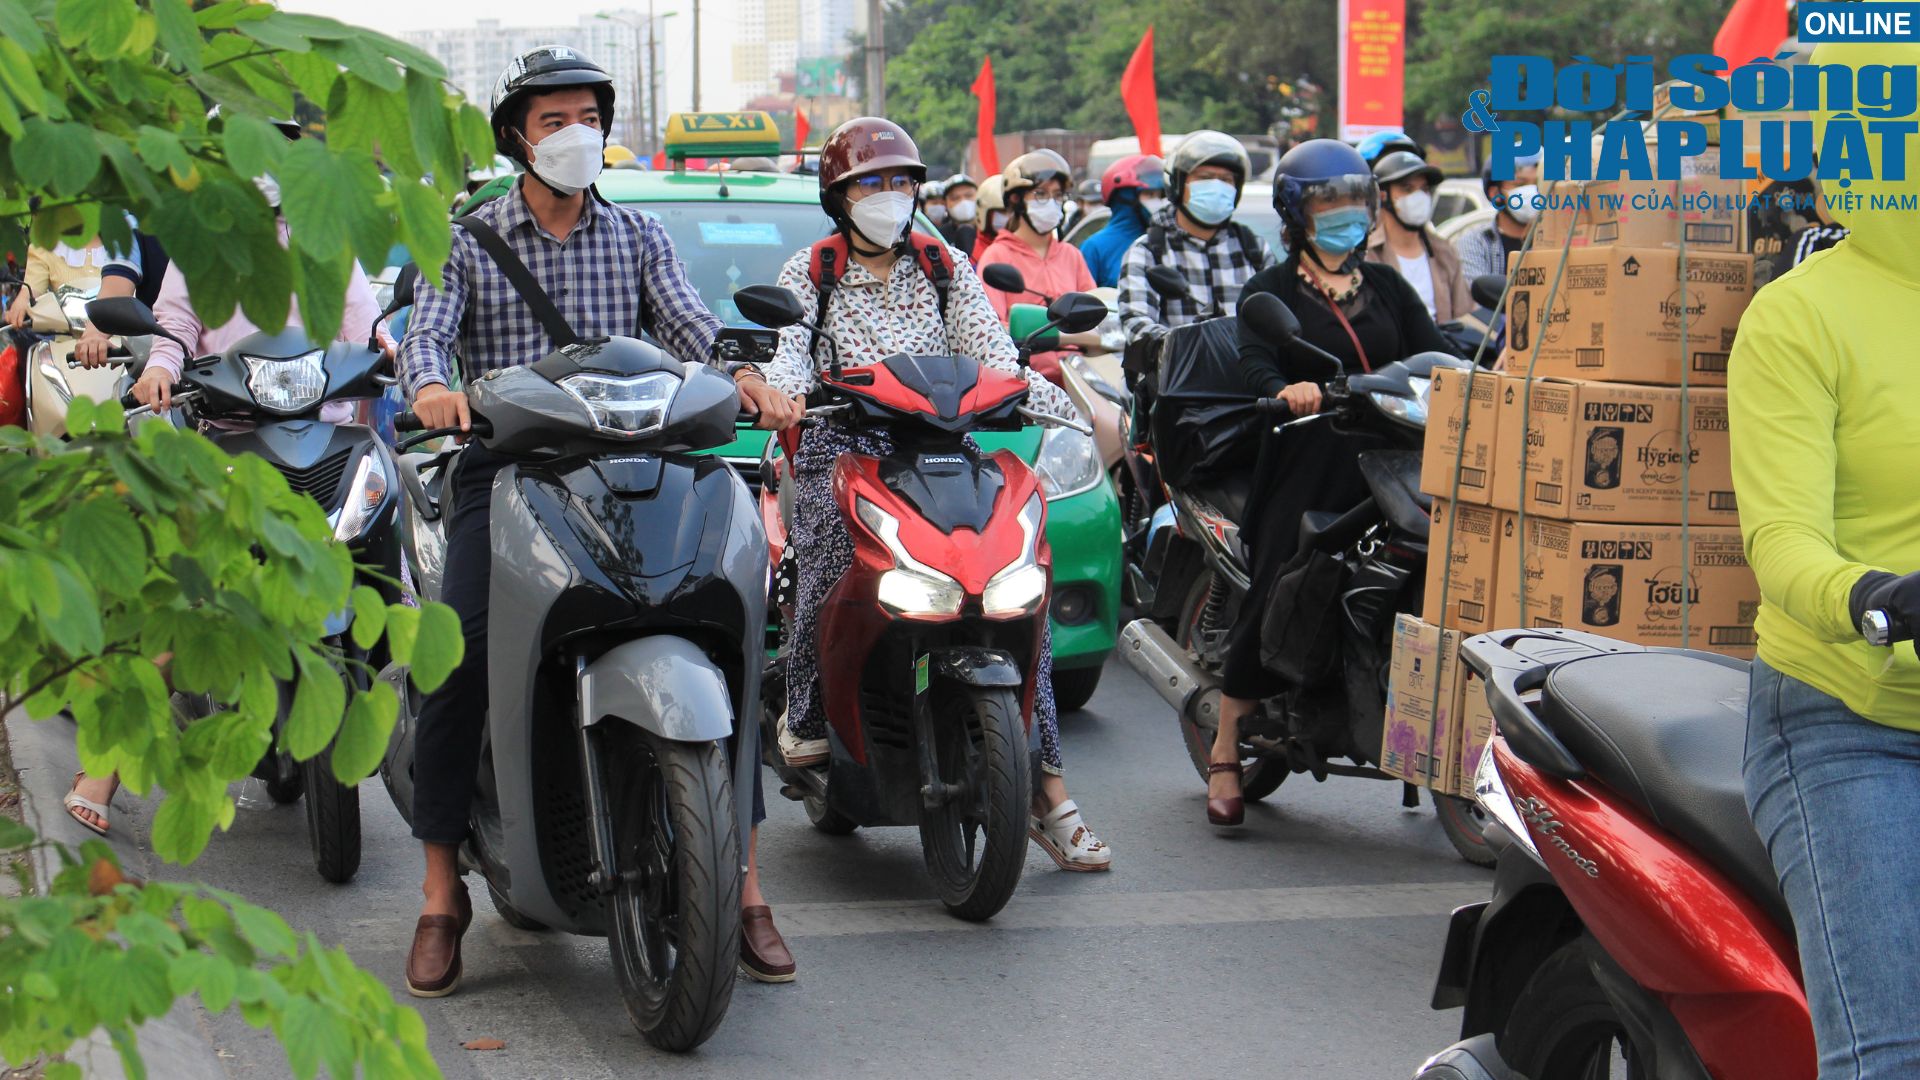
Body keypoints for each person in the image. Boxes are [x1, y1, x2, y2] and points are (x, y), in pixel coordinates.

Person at [397, 45, 802, 998]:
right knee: (457, 662)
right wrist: (427, 386)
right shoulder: (467, 237)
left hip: (640, 466)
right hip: (509, 473)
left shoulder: (640, 237)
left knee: (731, 643)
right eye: (554, 122)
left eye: (588, 119)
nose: (577, 136)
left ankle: (743, 885)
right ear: (516, 139)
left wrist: (743, 378)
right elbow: (427, 327)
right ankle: (439, 892)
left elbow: (691, 327)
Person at [763, 117, 1112, 873]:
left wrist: (1040, 397)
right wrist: (784, 396)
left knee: (1021, 599)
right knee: (823, 547)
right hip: (842, 447)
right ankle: (805, 711)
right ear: (839, 196)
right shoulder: (811, 274)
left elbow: (990, 350)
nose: (888, 197)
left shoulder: (943, 263)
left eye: (899, 182)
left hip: (942, 449)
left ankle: (1048, 791)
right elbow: (789, 356)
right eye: (869, 184)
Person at [1730, 40, 1920, 1079]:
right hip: (1853, 720)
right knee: (1894, 1060)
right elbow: (1783, 539)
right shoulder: (1799, 314)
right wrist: (1879, 598)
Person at [1203, 139, 1449, 827]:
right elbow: (1256, 364)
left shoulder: (1389, 285)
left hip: (1394, 457)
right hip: (1309, 461)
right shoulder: (1272, 292)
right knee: (1283, 584)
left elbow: (1437, 351)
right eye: (1326, 202)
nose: (1344, 213)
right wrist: (1290, 390)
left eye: (1353, 200)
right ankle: (1226, 746)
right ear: (1295, 213)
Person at [1116, 131, 1274, 353]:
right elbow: (1137, 326)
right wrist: (1196, 347)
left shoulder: (1254, 249)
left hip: (1248, 381)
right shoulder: (1148, 252)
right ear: (1178, 184)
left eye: (1226, 180)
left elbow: (1275, 321)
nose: (1217, 186)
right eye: (1205, 177)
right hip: (1176, 382)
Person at [974, 149, 1102, 384]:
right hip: (1026, 381)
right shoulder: (997, 256)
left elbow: (1096, 320)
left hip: (1082, 378)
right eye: (1040, 194)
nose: (1051, 203)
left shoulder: (1071, 255)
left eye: (1057, 195)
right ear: (1016, 199)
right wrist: (1061, 336)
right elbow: (993, 329)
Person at [1364, 150, 1472, 323]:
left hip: (1444, 347)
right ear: (1382, 196)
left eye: (1424, 189)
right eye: (1407, 188)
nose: (1419, 196)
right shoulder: (1366, 254)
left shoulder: (1444, 251)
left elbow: (1465, 317)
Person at [1079, 154, 1166, 289]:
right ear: (1125, 197)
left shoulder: (1167, 240)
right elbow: (1083, 301)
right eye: (1149, 194)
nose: (1158, 202)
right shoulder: (1095, 247)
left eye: (1160, 196)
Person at [1458, 155, 1541, 281]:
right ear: (1495, 194)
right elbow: (1475, 295)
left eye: (1537, 184)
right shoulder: (1477, 243)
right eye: (1520, 184)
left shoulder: (1555, 240)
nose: (1532, 192)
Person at [972, 173, 1009, 264]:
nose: (1009, 217)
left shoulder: (1032, 248)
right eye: (1002, 211)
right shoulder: (972, 255)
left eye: (1013, 212)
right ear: (984, 213)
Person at [938, 172, 979, 253]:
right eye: (955, 198)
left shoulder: (989, 232)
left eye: (969, 195)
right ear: (945, 203)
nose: (963, 201)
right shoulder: (939, 236)